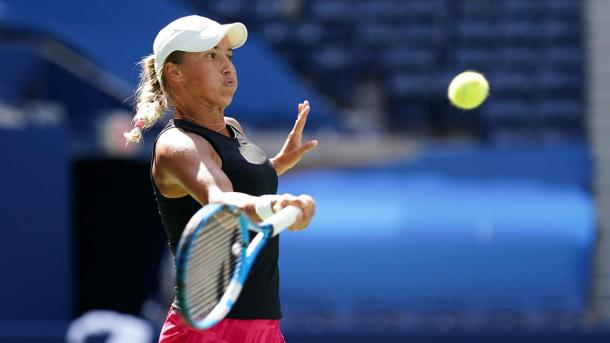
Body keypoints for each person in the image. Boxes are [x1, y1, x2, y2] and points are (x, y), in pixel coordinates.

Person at [124, 15, 318, 342]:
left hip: (264, 325)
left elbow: (235, 180)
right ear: (175, 71)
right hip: (207, 330)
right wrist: (275, 204)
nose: (227, 67)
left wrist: (274, 166)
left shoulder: (233, 127)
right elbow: (221, 199)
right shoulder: (177, 145)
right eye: (211, 55)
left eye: (228, 55)